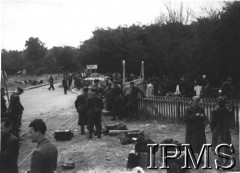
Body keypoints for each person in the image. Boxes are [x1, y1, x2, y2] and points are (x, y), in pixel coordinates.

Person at [210, 97, 233, 166]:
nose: (222, 103)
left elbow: (212, 122)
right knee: (224, 145)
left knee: (220, 145)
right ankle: (224, 160)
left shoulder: (216, 111)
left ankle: (222, 161)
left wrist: (213, 129)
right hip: (223, 129)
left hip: (220, 130)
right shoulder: (227, 111)